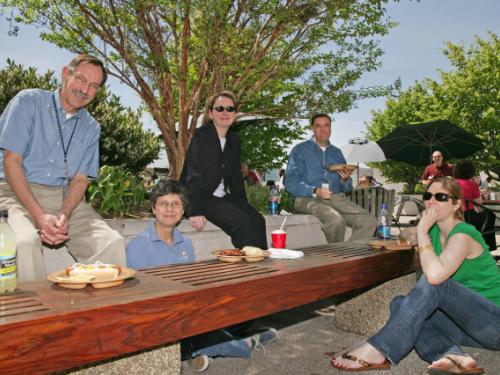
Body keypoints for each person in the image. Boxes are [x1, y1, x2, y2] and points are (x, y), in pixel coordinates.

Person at [331, 177, 500, 374]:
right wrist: (413, 234)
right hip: (467, 328)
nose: (431, 201)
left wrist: (421, 230)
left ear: (457, 205)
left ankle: (379, 348)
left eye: (441, 197)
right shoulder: (435, 231)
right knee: (400, 303)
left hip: (493, 325)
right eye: (428, 196)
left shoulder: (463, 234)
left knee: (434, 283)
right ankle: (452, 357)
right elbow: (406, 235)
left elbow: (435, 278)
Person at [126, 179, 277, 372]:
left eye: (176, 204)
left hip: (188, 313)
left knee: (239, 311)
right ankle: (247, 343)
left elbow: (190, 285)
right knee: (203, 336)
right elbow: (140, 302)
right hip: (158, 321)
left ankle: (197, 347)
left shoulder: (186, 244)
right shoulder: (139, 246)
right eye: (164, 203)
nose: (170, 209)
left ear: (182, 211)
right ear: (154, 209)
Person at [0, 54, 125, 282]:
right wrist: (39, 216)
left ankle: (98, 314)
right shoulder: (28, 102)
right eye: (81, 79)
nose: (85, 89)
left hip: (62, 197)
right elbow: (11, 162)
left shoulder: (91, 127)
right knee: (24, 243)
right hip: (13, 192)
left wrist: (64, 214)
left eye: (94, 86)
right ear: (65, 74)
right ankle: (34, 314)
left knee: (112, 243)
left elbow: (79, 180)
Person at [180, 91, 267, 250]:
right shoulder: (202, 136)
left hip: (220, 196)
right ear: (210, 113)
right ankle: (254, 270)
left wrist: (243, 206)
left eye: (230, 109)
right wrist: (193, 210)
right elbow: (193, 175)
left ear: (235, 113)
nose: (225, 113)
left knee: (257, 220)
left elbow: (234, 176)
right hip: (201, 196)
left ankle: (263, 262)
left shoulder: (234, 140)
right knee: (242, 224)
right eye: (220, 108)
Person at [284, 114, 377, 243]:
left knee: (369, 221)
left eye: (326, 125)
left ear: (331, 128)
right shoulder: (300, 150)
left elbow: (347, 187)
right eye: (318, 126)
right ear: (312, 129)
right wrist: (315, 190)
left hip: (335, 197)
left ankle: (348, 255)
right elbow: (290, 182)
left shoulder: (337, 152)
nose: (323, 129)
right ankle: (339, 257)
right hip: (307, 199)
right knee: (336, 221)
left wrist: (344, 180)